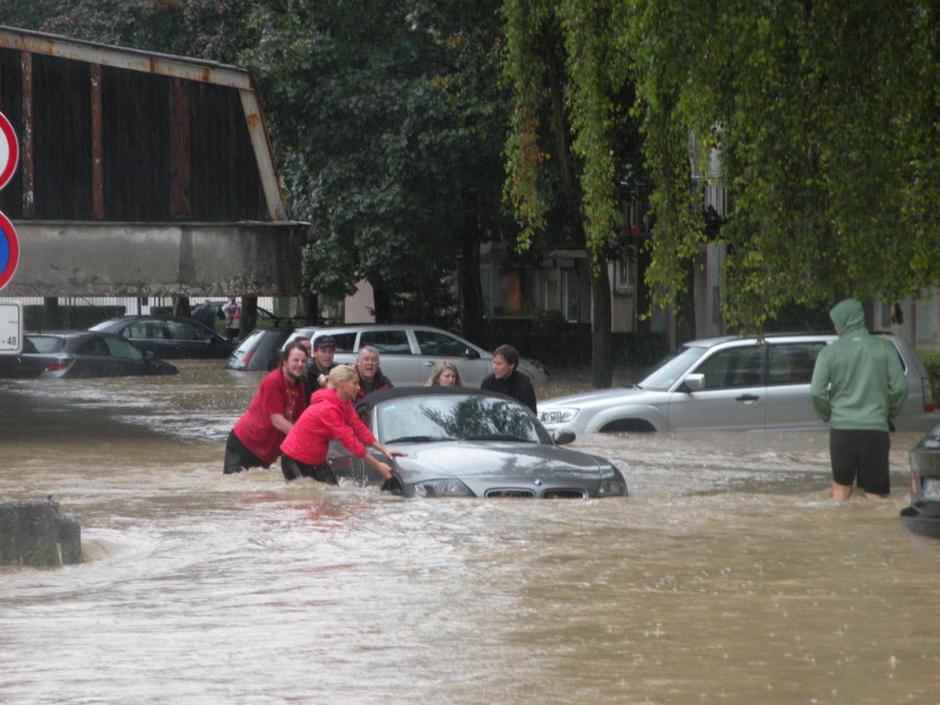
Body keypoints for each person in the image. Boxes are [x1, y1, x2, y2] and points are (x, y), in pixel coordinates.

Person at [810, 297, 908, 501]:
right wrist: (887, 413)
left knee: (841, 489)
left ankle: (838, 522)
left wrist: (827, 414)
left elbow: (816, 392)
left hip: (842, 430)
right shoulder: (885, 348)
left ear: (844, 322)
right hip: (876, 429)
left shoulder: (829, 353)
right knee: (875, 495)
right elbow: (900, 388)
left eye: (836, 323)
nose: (835, 328)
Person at [280, 365, 405, 483]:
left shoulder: (344, 403)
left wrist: (384, 450)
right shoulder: (328, 408)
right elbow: (349, 440)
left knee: (331, 494)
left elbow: (359, 428)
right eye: (355, 383)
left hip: (316, 460)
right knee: (307, 496)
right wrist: (377, 465)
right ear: (342, 384)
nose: (358, 388)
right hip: (294, 459)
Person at [223, 341, 309, 474]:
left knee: (259, 486)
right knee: (234, 485)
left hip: (266, 452)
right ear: (285, 361)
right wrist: (304, 438)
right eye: (295, 360)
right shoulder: (273, 380)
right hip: (244, 444)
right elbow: (277, 420)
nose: (300, 365)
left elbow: (300, 419)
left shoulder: (300, 386)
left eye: (303, 361)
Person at [480, 343, 537, 414]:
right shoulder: (488, 382)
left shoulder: (524, 384)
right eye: (494, 363)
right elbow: (482, 409)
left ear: (512, 365)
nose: (494, 367)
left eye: (499, 364)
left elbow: (531, 413)